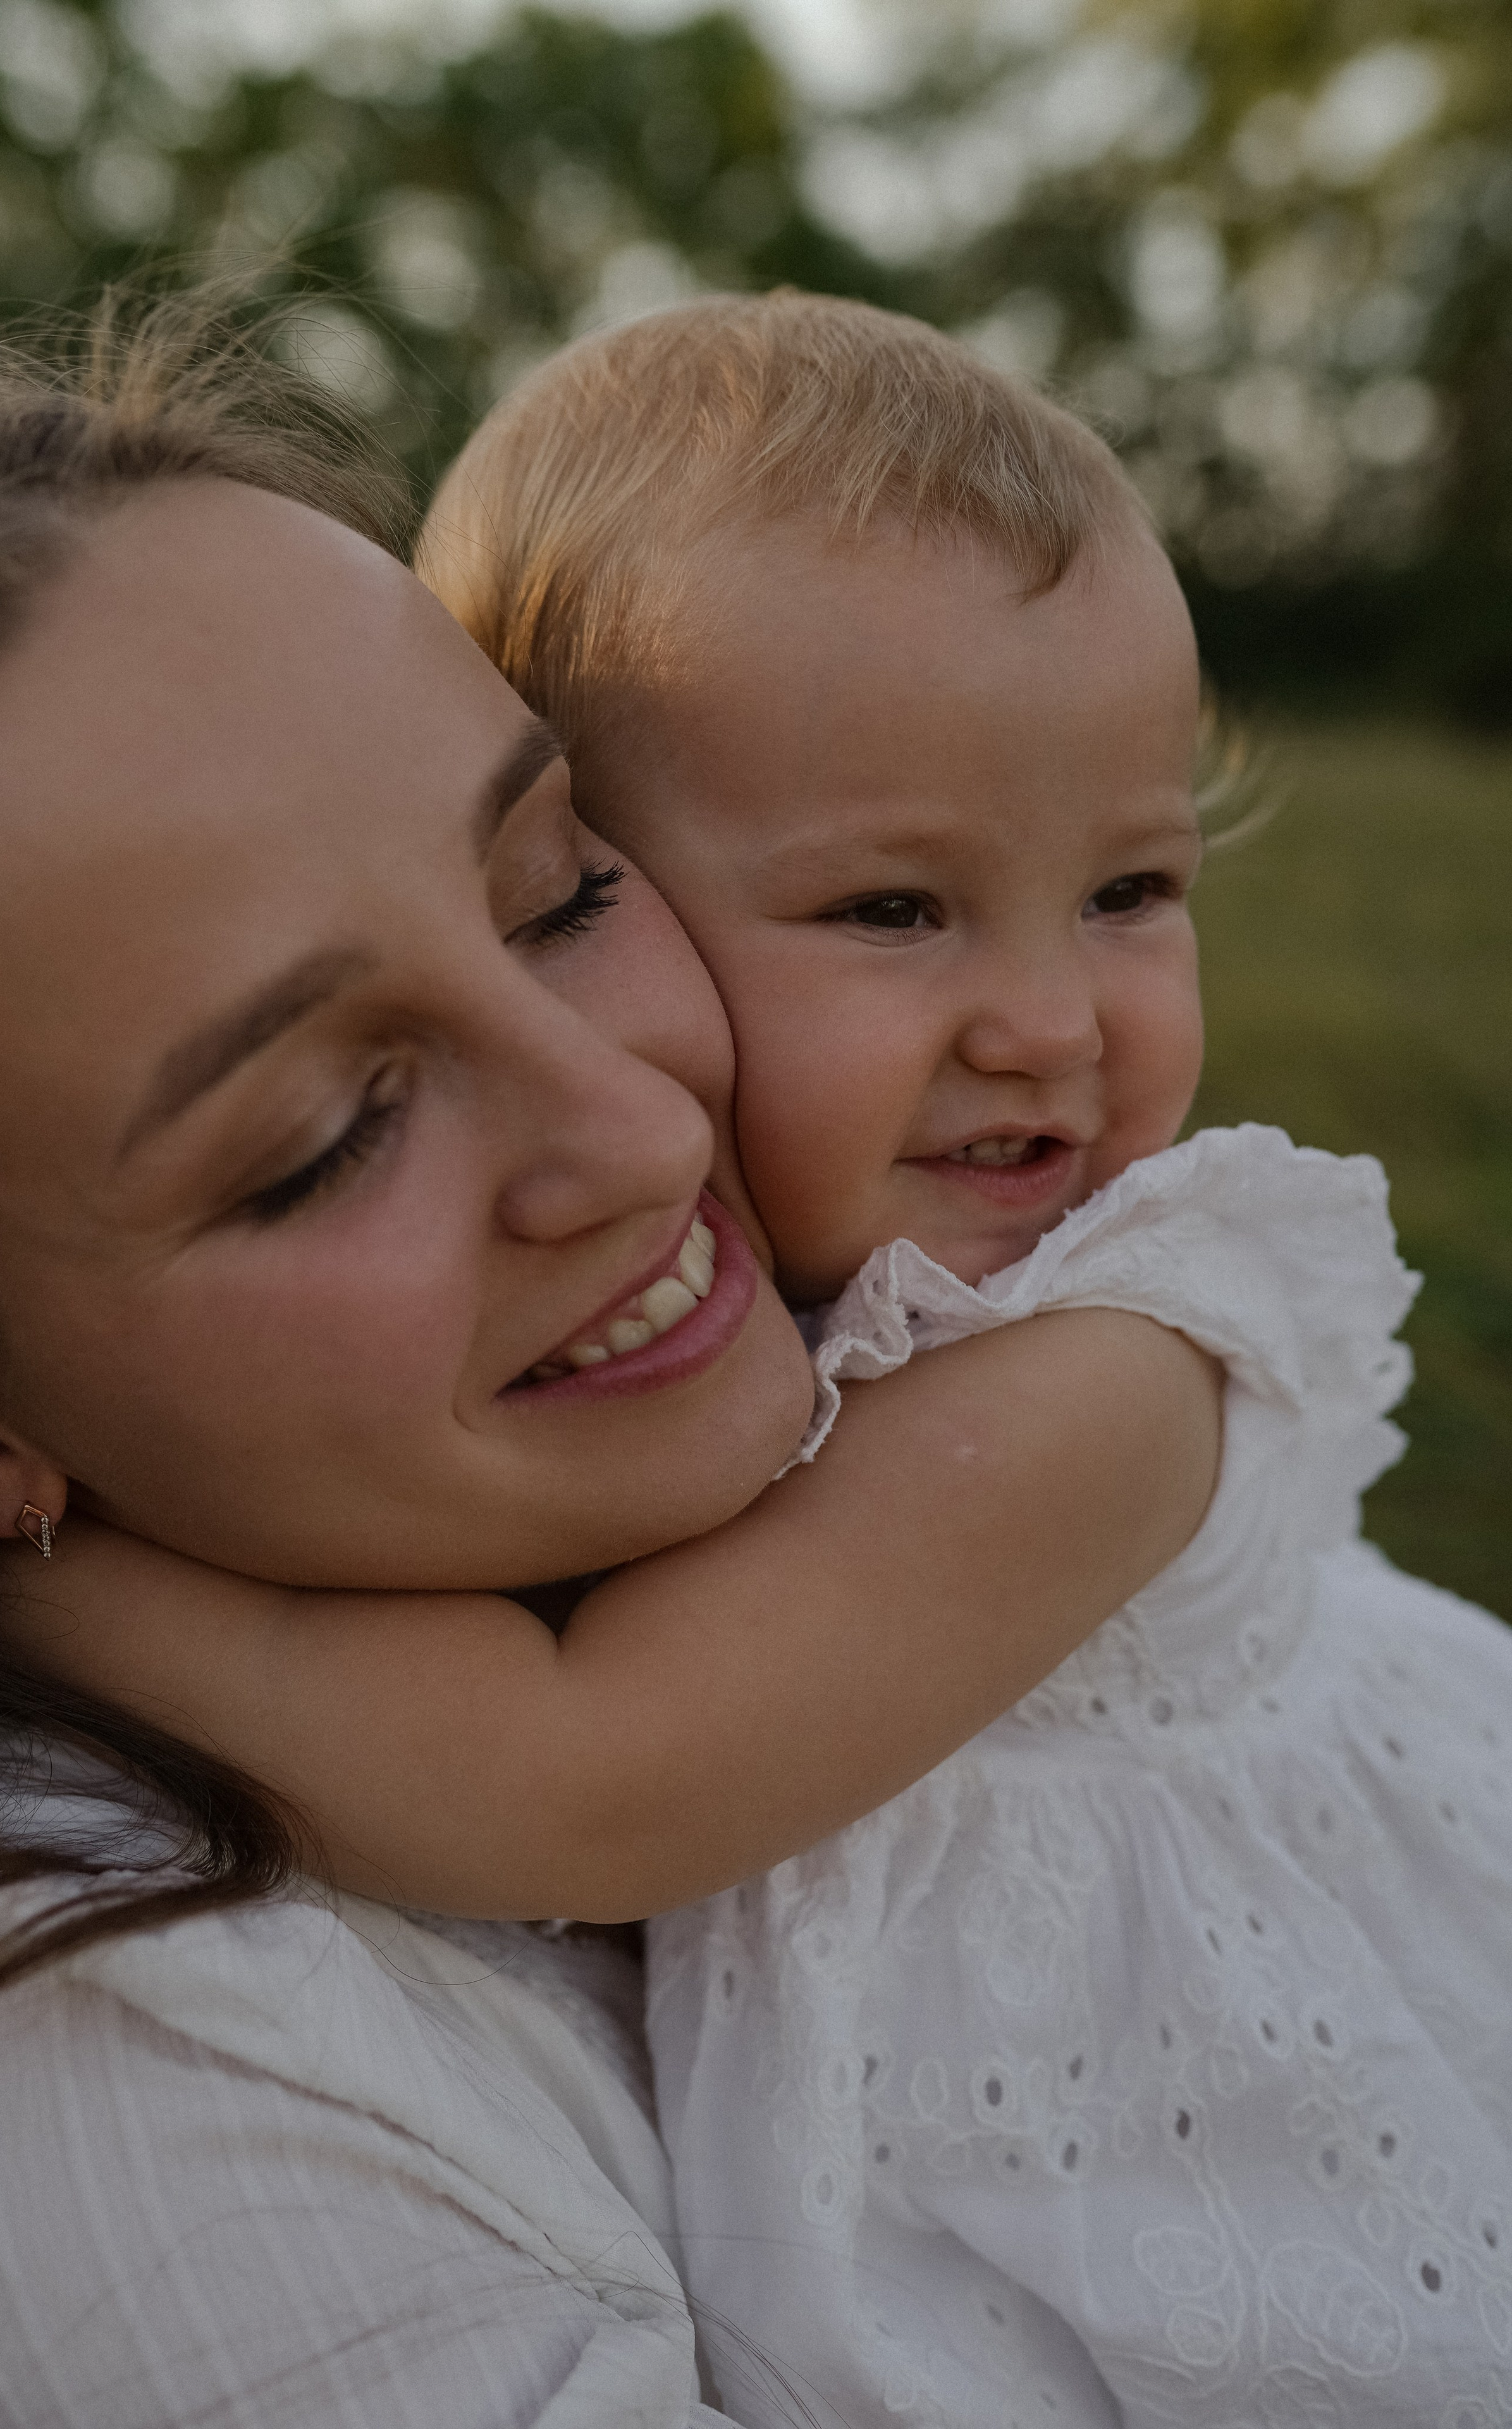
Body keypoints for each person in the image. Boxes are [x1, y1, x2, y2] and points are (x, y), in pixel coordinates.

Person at [0, 299, 1221, 2429]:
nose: (641, 1130)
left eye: (560, 888)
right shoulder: (103, 2061)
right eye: (326, 1139)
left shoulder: (1081, 1332)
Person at [421, 292, 1512, 2422]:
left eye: (1128, 886)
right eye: (899, 913)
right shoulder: (620, 1309)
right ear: (578, 909)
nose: (1054, 1020)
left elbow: (587, 1783)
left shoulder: (1122, 1347)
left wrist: (31, 1591)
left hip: (1255, 2172)